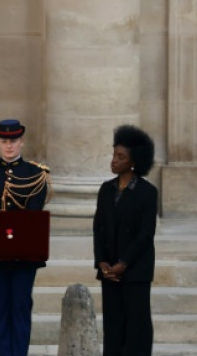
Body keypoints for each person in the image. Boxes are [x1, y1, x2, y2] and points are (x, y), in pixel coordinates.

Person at [0, 119, 51, 356]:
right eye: (4, 141)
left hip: (24, 252)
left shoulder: (36, 174)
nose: (9, 146)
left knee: (20, 306)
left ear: (22, 141)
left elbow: (33, 214)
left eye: (13, 141)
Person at [93, 125, 157, 355]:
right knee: (113, 327)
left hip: (135, 271)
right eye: (113, 154)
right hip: (109, 271)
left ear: (134, 162)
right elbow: (98, 229)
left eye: (120, 157)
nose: (113, 161)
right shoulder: (105, 190)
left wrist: (124, 263)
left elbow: (145, 234)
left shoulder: (148, 193)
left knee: (137, 328)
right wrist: (102, 262)